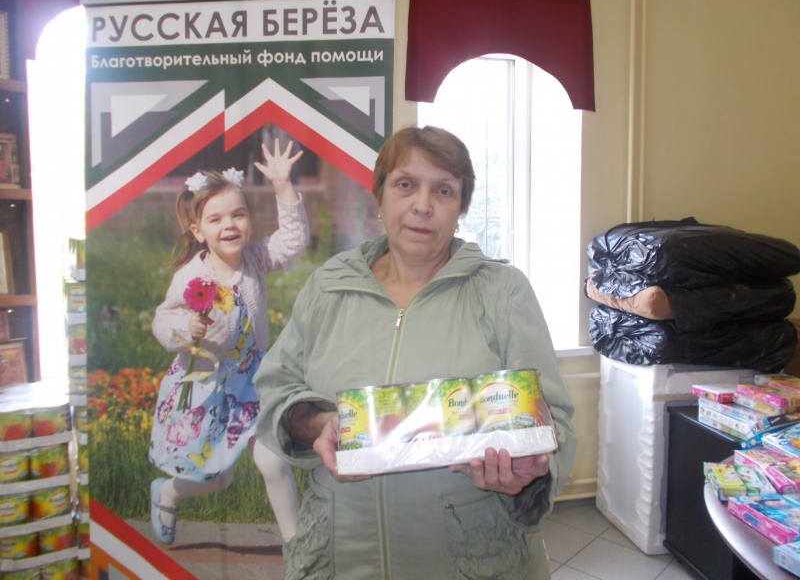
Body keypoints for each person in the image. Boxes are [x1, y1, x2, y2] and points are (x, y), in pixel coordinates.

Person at [254, 126, 578, 579]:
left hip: (475, 561)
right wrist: (319, 423)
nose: (423, 205)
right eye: (405, 184)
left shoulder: (503, 292)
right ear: (380, 196)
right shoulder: (328, 287)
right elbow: (276, 390)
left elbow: (554, 420)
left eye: (443, 190)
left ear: (461, 208)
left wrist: (529, 473)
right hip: (341, 557)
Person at [148, 139, 309, 546]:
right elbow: (161, 322)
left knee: (272, 461)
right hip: (208, 386)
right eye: (216, 219)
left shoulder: (255, 259)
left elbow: (292, 242)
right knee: (217, 478)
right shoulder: (190, 276)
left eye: (238, 214)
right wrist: (186, 326)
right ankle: (167, 493)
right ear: (198, 231)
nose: (230, 225)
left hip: (253, 380)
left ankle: (297, 549)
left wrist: (282, 186)